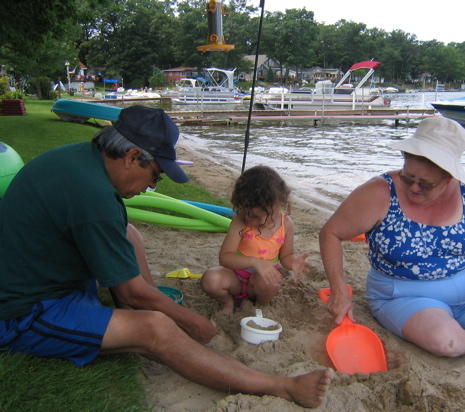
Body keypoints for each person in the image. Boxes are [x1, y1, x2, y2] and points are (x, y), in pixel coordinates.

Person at [0, 106, 333, 407]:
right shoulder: (94, 197)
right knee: (154, 328)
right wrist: (190, 321)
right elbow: (130, 290)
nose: (151, 187)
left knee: (130, 235)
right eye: (156, 176)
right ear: (132, 156)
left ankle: (150, 306)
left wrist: (149, 300)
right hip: (24, 311)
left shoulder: (80, 161)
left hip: (39, 273)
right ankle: (280, 386)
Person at [319, 116, 465, 357]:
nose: (414, 188)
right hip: (404, 297)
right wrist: (339, 291)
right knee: (448, 343)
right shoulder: (379, 192)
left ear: (450, 176)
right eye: (408, 177)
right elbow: (330, 233)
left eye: (426, 184)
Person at [201, 165, 310, 314]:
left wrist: (293, 263)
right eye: (254, 216)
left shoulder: (287, 224)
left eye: (269, 214)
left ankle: (260, 307)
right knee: (210, 279)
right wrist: (255, 262)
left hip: (262, 283)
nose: (262, 221)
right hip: (236, 279)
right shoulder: (240, 221)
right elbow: (225, 258)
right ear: (243, 207)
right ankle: (227, 303)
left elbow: (286, 256)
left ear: (281, 203)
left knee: (271, 282)